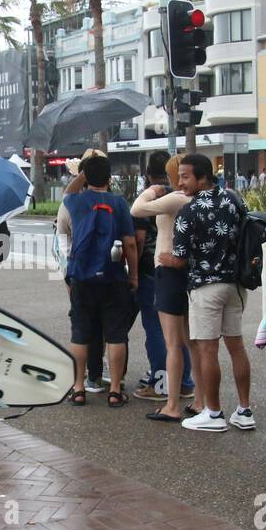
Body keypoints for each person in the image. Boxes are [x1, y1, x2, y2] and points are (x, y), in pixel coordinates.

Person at [164, 153, 255, 432]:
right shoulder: (233, 199)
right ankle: (244, 409)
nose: (180, 182)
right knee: (236, 346)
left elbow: (179, 259)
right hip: (235, 285)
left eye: (185, 176)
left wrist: (165, 258)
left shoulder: (189, 212)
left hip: (205, 287)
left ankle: (214, 413)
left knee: (207, 349)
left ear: (202, 177)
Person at [62, 153, 137, 407]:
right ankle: (115, 391)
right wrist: (133, 275)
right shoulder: (119, 203)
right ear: (109, 177)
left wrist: (83, 172)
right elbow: (129, 243)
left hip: (82, 276)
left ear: (86, 177)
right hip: (114, 276)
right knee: (115, 334)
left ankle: (79, 388)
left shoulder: (77, 201)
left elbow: (67, 192)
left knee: (80, 333)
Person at [132, 153, 199, 421]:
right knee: (192, 342)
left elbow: (136, 209)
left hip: (168, 271)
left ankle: (171, 404)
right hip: (190, 272)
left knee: (172, 342)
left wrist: (150, 191)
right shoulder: (198, 199)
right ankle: (198, 397)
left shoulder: (175, 199)